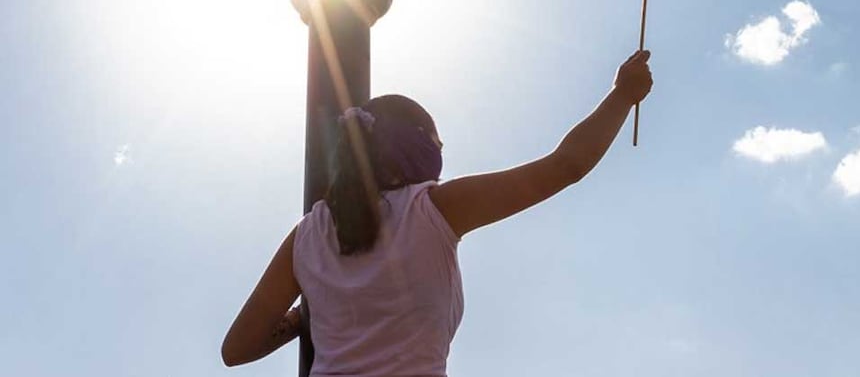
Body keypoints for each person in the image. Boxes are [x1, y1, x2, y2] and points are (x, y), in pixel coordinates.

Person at [221, 50, 653, 374]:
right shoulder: (434, 208)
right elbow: (565, 166)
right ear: (418, 145)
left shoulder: (305, 236)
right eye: (437, 143)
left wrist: (302, 317)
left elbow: (236, 349)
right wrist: (622, 95)